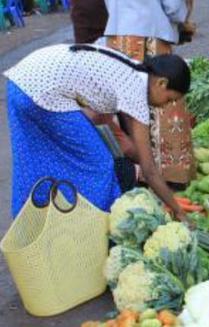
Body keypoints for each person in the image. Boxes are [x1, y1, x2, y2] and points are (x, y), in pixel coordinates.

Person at [5, 44, 191, 223]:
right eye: (169, 99)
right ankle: (97, 225)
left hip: (19, 84)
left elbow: (132, 138)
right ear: (161, 83)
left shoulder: (133, 70)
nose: (165, 106)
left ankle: (29, 223)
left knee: (33, 156)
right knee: (99, 163)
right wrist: (179, 211)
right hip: (45, 93)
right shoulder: (136, 92)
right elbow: (149, 171)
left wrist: (137, 156)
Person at [103, 0, 196, 186]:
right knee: (165, 105)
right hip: (149, 34)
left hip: (117, 36)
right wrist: (184, 16)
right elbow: (173, 8)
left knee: (127, 108)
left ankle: (134, 174)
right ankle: (169, 178)